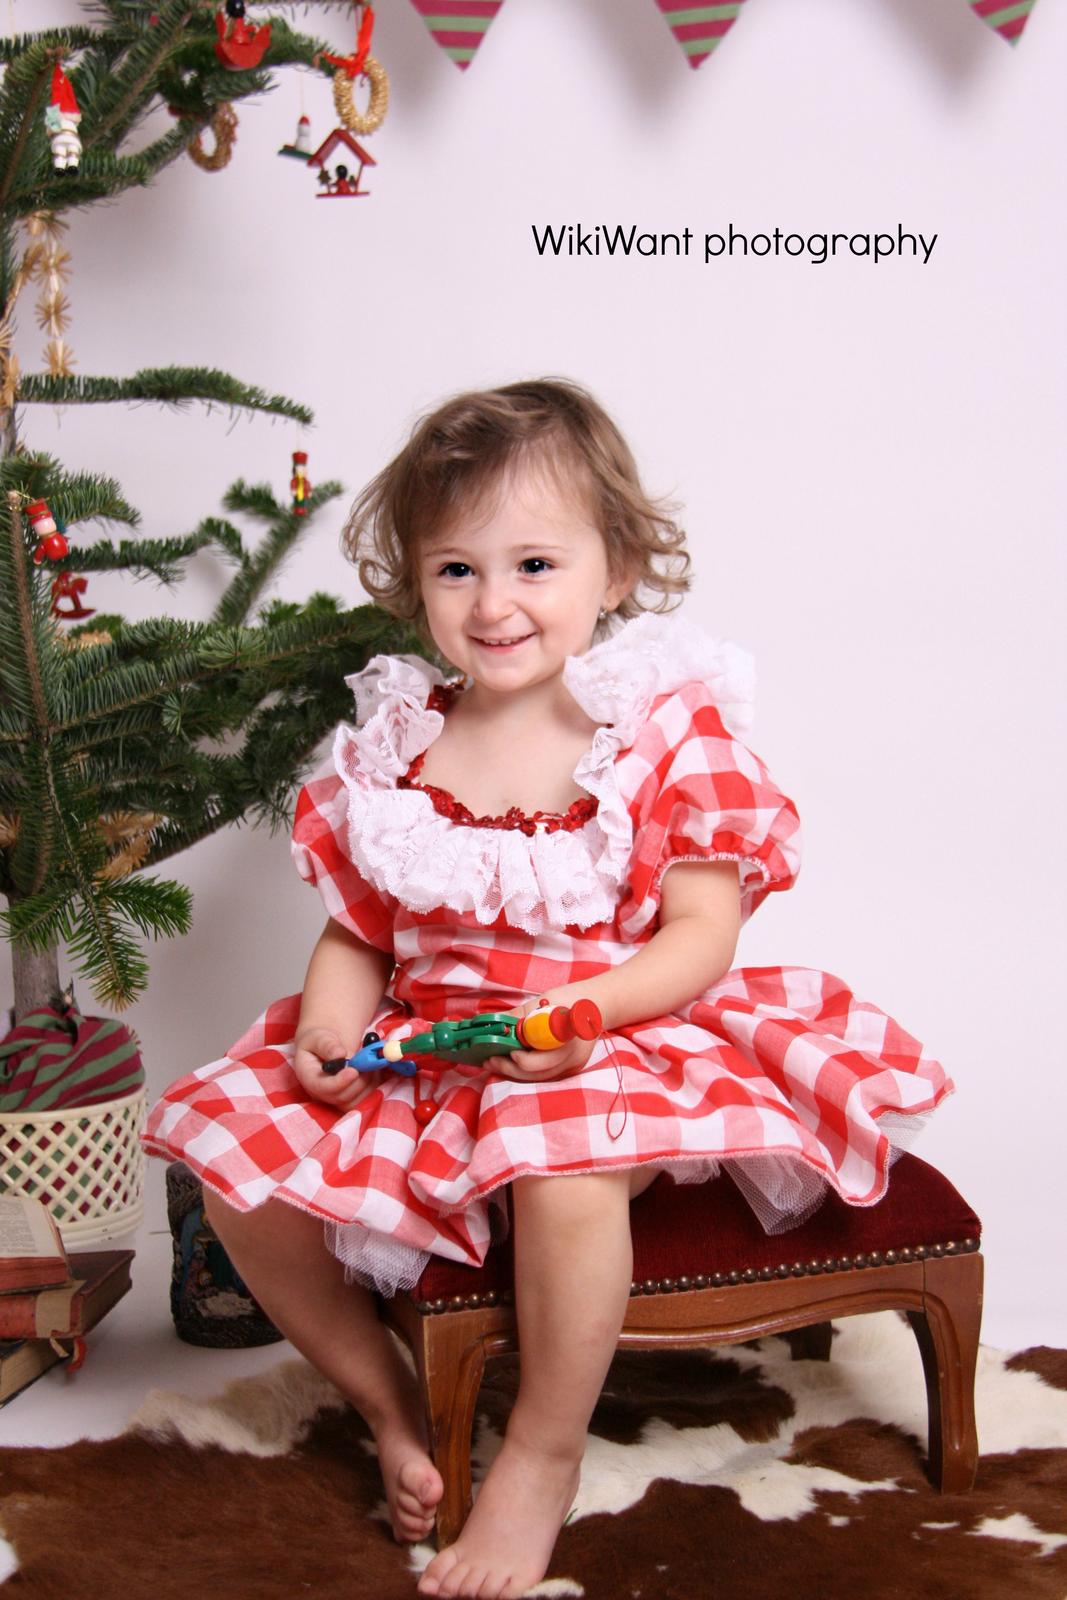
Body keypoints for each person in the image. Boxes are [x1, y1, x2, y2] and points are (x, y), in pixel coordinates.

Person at [144, 379, 951, 1600]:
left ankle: (539, 1454)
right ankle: (390, 1405)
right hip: (432, 1048)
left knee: (562, 1160)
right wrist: (331, 1029)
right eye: (455, 569)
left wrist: (580, 1019)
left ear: (614, 567)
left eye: (532, 563)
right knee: (236, 1173)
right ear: (414, 581)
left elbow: (700, 934)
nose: (493, 603)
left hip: (612, 1033)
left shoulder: (657, 731)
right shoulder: (401, 745)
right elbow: (359, 931)